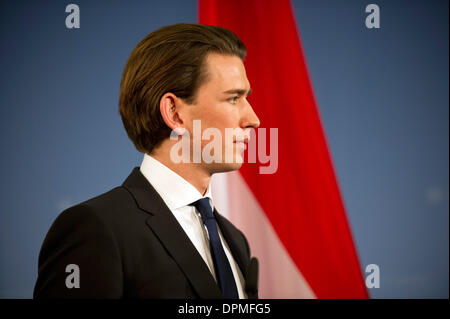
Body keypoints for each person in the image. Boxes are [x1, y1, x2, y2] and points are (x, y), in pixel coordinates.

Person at [33, 23, 260, 299]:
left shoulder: (236, 241)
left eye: (246, 98)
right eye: (234, 98)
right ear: (174, 114)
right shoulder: (96, 229)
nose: (253, 120)